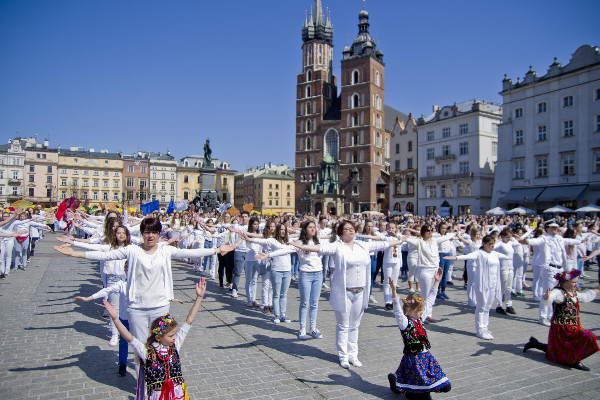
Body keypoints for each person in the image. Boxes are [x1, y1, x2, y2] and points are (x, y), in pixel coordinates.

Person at [291, 220, 404, 368]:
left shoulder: (363, 245)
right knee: (343, 325)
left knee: (355, 326)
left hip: (360, 292)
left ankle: (353, 355)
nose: (351, 231)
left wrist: (401, 239)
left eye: (352, 228)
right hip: (344, 292)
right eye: (347, 229)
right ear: (341, 233)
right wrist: (300, 245)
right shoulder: (338, 247)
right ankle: (343, 355)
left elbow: (382, 245)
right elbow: (320, 248)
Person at [104, 278, 207, 399]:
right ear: (158, 337)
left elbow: (189, 320)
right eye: (170, 336)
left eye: (174, 334)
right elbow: (129, 338)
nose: (175, 338)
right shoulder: (147, 351)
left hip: (177, 394)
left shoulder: (174, 346)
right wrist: (115, 319)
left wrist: (199, 297)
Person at [387, 270, 451, 400]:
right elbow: (397, 310)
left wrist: (437, 282)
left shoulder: (419, 319)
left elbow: (430, 300)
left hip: (426, 357)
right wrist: (394, 292)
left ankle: (401, 382)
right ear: (409, 310)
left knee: (445, 386)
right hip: (413, 360)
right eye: (419, 311)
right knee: (419, 395)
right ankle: (397, 383)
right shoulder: (405, 322)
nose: (422, 313)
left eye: (422, 311)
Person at [523, 269, 600, 371]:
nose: (575, 284)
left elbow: (585, 297)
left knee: (559, 349)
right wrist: (546, 297)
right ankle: (574, 361)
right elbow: (550, 298)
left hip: (573, 326)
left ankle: (535, 344)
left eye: (576, 282)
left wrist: (597, 290)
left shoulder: (574, 293)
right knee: (588, 336)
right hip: (562, 328)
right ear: (565, 281)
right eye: (573, 282)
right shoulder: (559, 292)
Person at [445, 235, 509, 340]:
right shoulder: (480, 253)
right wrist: (456, 257)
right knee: (481, 306)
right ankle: (480, 330)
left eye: (493, 244)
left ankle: (485, 327)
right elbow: (468, 256)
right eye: (490, 244)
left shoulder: (494, 254)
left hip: (492, 284)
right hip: (483, 284)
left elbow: (502, 255)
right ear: (484, 244)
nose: (492, 246)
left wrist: (508, 257)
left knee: (488, 307)